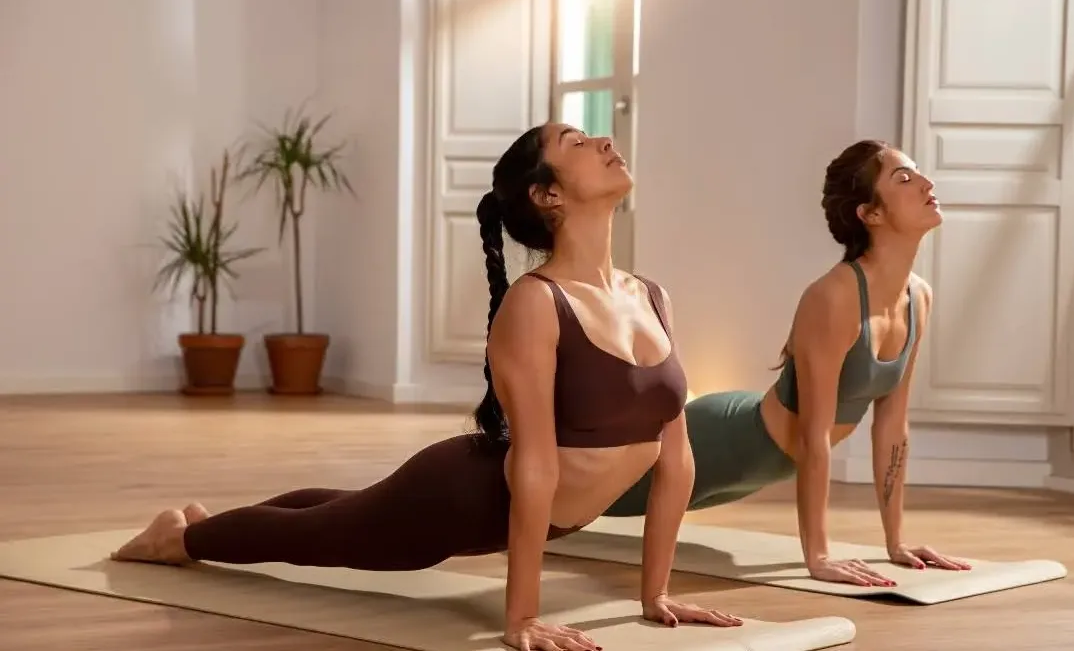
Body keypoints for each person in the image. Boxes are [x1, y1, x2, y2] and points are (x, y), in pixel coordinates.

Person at [110, 122, 742, 651]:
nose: (602, 140)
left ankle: (206, 520)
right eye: (576, 141)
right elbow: (535, 462)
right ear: (547, 193)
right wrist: (522, 615)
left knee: (344, 506)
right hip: (460, 497)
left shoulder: (651, 295)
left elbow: (676, 459)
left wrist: (656, 593)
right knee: (321, 535)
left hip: (541, 515)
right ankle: (178, 539)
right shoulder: (536, 303)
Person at [602, 139, 972, 587]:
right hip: (729, 443)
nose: (927, 183)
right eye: (904, 178)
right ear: (870, 214)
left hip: (765, 466)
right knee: (592, 500)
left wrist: (896, 543)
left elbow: (893, 424)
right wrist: (817, 556)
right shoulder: (834, 297)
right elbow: (814, 435)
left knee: (595, 501)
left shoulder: (919, 296)